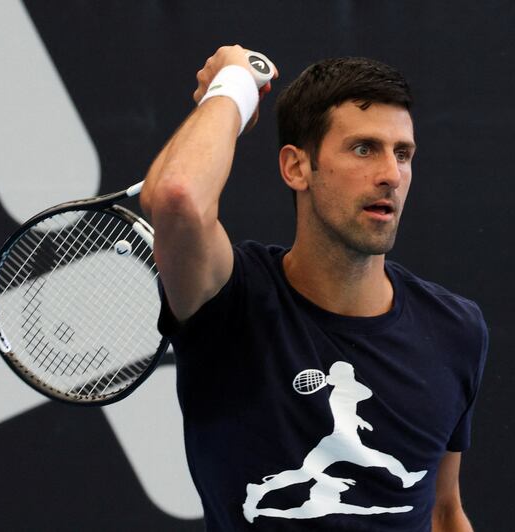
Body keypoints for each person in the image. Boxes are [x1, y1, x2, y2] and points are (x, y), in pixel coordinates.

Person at [140, 45, 488, 531]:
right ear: (296, 168)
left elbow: (444, 512)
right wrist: (233, 87)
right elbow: (177, 197)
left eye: (402, 153)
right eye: (364, 149)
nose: (390, 175)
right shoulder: (227, 301)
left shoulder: (455, 329)